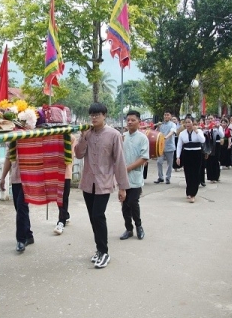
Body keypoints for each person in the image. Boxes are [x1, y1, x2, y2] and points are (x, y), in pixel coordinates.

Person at [74, 103, 129, 269]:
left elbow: (119, 161)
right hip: (87, 183)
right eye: (91, 114)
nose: (94, 117)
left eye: (97, 114)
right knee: (93, 217)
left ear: (104, 115)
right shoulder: (87, 134)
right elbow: (78, 153)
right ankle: (99, 249)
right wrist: (83, 137)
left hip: (104, 183)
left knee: (98, 215)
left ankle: (104, 252)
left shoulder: (114, 135)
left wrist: (122, 186)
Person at [120, 110, 149, 240]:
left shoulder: (143, 138)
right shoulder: (122, 137)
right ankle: (128, 229)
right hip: (123, 177)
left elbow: (144, 158)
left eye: (133, 120)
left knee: (133, 202)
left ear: (139, 122)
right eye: (128, 120)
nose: (130, 122)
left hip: (135, 175)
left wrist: (129, 168)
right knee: (124, 204)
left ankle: (139, 226)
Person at [0, 154, 34, 251]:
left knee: (21, 207)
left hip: (28, 178)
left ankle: (21, 240)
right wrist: (3, 177)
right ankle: (28, 235)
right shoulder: (11, 140)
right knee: (19, 208)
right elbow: (8, 158)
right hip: (15, 179)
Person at [175, 118, 205, 203]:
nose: (187, 124)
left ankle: (193, 194)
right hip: (187, 154)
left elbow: (202, 140)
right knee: (188, 173)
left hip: (197, 153)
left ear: (193, 123)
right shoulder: (182, 133)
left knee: (195, 174)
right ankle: (188, 191)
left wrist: (197, 131)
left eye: (189, 122)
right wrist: (178, 157)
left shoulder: (198, 131)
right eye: (186, 122)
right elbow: (179, 146)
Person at [54, 134, 75, 235]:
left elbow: (70, 156)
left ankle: (61, 221)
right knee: (58, 198)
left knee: (63, 198)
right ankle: (65, 215)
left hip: (65, 173)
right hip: (54, 173)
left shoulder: (71, 138)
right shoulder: (52, 137)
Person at [153, 111, 177, 185]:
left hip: (169, 147)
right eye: (165, 115)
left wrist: (166, 137)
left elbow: (172, 132)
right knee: (159, 162)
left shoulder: (172, 124)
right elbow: (156, 133)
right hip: (161, 147)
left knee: (170, 163)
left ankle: (168, 178)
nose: (166, 116)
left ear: (170, 116)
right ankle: (160, 177)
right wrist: (157, 126)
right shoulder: (161, 124)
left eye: (167, 115)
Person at [204, 117, 224, 183]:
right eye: (208, 119)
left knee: (216, 160)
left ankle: (216, 176)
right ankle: (211, 177)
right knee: (209, 161)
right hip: (208, 145)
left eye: (211, 119)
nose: (210, 120)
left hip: (216, 145)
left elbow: (222, 135)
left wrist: (217, 128)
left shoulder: (218, 127)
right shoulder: (205, 128)